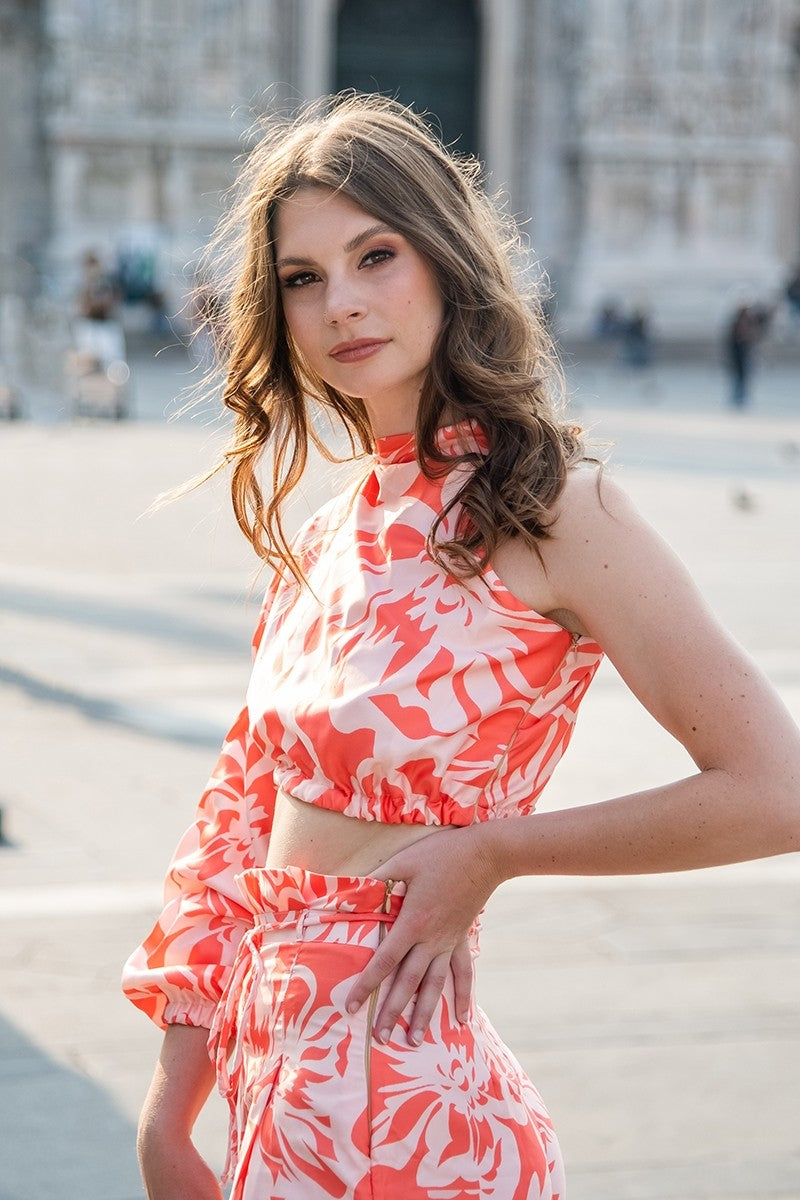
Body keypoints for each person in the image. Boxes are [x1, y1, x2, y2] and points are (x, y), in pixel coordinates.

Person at [122, 94, 800, 1200]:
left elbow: (776, 789)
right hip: (270, 1105)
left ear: (444, 260)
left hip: (417, 1127)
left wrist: (496, 852)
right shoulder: (327, 535)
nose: (340, 303)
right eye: (302, 277)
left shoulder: (556, 510)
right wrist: (169, 1110)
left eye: (374, 256)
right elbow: (236, 827)